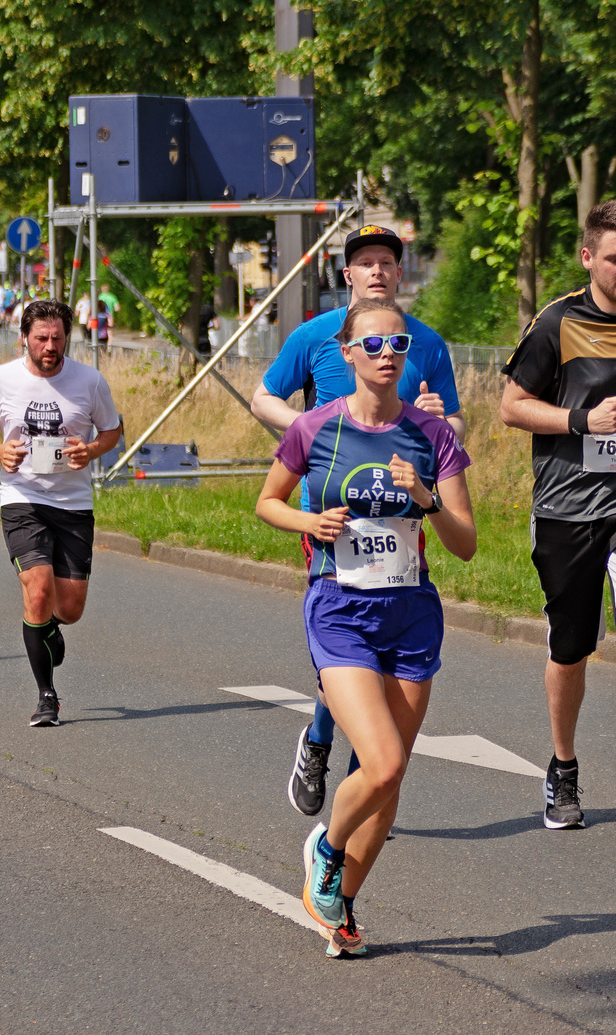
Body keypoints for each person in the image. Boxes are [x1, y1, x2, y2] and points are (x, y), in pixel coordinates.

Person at [256, 298, 476, 957]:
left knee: (391, 777)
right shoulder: (314, 428)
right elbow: (267, 502)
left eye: (399, 345)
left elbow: (464, 543)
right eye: (373, 346)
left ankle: (340, 905)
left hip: (411, 613)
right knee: (378, 763)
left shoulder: (434, 438)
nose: (387, 356)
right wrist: (308, 523)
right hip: (339, 609)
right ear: (346, 353)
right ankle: (324, 848)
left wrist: (428, 499)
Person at [250, 224, 466, 818]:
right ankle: (324, 743)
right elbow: (263, 397)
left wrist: (438, 420)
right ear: (347, 275)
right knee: (348, 640)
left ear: (400, 274)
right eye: (365, 263)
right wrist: (309, 429)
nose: (376, 272)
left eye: (386, 263)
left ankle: (366, 783)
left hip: (400, 506)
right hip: (335, 511)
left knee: (381, 641)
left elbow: (455, 426)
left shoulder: (424, 342)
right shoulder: (318, 336)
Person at [498, 199, 616, 843]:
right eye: (615, 258)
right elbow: (512, 407)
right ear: (588, 259)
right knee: (571, 646)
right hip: (565, 504)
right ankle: (564, 767)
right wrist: (580, 421)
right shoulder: (555, 323)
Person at [0, 299, 123, 727]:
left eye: (57, 338)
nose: (50, 346)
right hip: (21, 498)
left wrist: (90, 450)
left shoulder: (89, 381)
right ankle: (47, 696)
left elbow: (112, 430)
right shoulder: (0, 380)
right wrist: (0, 450)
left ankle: (48, 626)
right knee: (36, 591)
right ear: (25, 338)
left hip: (72, 503)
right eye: (41, 338)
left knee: (69, 609)